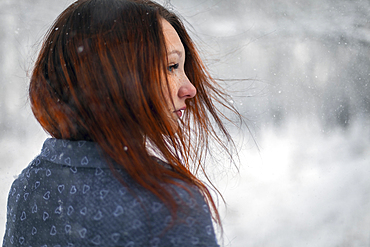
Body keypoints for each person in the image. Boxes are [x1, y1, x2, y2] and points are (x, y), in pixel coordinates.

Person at [3, 0, 240, 246]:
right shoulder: (168, 204)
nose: (189, 88)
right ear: (113, 77)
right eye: (171, 67)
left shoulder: (28, 187)